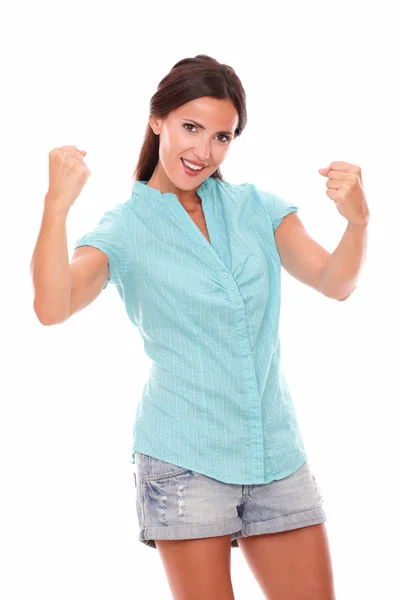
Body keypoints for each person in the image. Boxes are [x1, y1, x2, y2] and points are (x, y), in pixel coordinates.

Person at [31, 54, 368, 600]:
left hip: (274, 452)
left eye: (222, 136)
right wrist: (55, 208)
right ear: (156, 119)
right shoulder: (124, 229)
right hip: (185, 457)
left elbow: (335, 281)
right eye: (191, 127)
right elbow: (52, 306)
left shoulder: (258, 208)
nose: (203, 151)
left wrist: (358, 223)